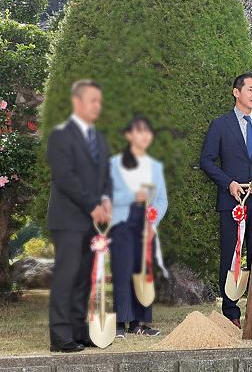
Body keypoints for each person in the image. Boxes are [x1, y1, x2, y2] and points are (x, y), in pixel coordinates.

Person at [200, 73, 252, 328]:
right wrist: (229, 183)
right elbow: (206, 160)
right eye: (250, 89)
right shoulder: (220, 125)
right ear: (236, 92)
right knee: (230, 255)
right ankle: (230, 310)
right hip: (231, 201)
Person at [46, 79, 112, 352]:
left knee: (86, 276)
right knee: (67, 276)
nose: (97, 106)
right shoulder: (61, 135)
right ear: (77, 102)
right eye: (91, 100)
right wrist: (92, 205)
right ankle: (60, 336)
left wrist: (106, 201)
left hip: (92, 223)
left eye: (99, 101)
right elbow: (66, 178)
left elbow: (106, 176)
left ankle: (79, 330)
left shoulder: (99, 138)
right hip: (68, 219)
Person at [109, 115, 168, 338]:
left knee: (143, 272)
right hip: (121, 223)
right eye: (138, 131)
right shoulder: (114, 164)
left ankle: (139, 323)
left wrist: (154, 221)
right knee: (122, 272)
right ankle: (118, 324)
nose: (143, 136)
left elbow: (162, 199)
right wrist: (133, 195)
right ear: (128, 135)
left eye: (147, 132)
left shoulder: (155, 166)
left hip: (146, 224)